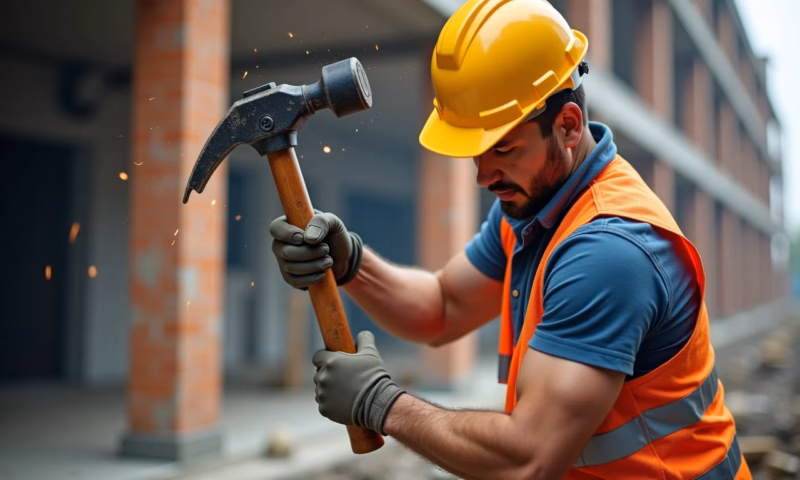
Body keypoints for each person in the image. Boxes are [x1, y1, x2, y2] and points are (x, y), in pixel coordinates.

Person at [268, 1, 750, 478]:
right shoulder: (533, 209)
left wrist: (382, 404)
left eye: (503, 148)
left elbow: (528, 458)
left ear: (567, 126)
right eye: (476, 152)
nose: (484, 176)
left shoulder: (608, 252)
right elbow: (443, 306)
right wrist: (350, 261)